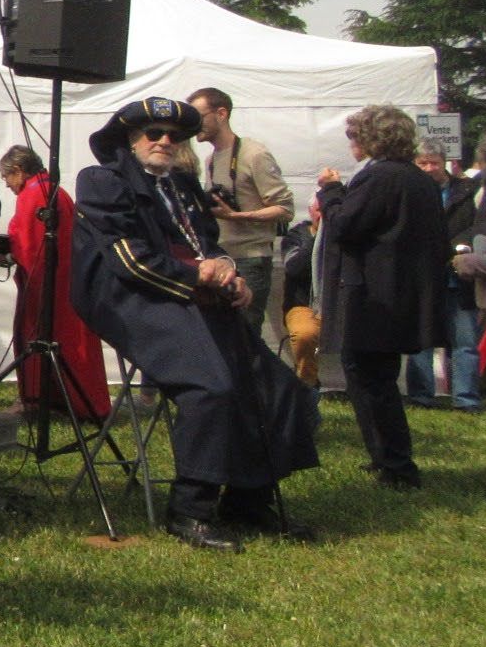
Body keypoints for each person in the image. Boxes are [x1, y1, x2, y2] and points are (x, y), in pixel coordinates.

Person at [69, 98, 319, 549]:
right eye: (154, 134)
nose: (166, 142)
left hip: (195, 297)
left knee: (279, 386)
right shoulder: (101, 180)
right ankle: (190, 510)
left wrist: (229, 274)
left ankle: (247, 500)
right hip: (135, 299)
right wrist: (196, 276)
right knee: (212, 387)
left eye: (175, 136)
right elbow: (126, 258)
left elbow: (207, 242)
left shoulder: (182, 185)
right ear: (130, 139)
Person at [316, 105, 447, 490]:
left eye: (355, 136)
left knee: (371, 379)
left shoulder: (380, 177)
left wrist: (331, 192)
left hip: (376, 294)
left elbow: (345, 225)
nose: (352, 143)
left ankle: (396, 465)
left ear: (374, 138)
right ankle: (387, 459)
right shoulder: (417, 178)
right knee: (377, 378)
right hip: (400, 291)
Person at [0, 144, 111, 420]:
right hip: (66, 282)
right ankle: (70, 400)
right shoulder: (55, 191)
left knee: (42, 337)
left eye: (7, 178)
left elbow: (30, 247)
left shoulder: (34, 194)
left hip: (47, 287)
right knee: (71, 343)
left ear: (18, 171)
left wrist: (7, 253)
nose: (8, 185)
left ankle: (39, 398)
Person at [187, 87, 294, 338]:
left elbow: (285, 209)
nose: (193, 126)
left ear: (221, 114)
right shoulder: (211, 159)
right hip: (223, 258)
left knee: (245, 335)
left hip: (251, 258)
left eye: (198, 117)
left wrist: (236, 216)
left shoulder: (253, 154)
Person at [407, 142, 481, 410]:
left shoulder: (465, 190)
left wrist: (458, 246)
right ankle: (420, 396)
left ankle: (466, 399)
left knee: (465, 341)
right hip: (422, 277)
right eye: (422, 163)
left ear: (444, 162)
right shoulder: (408, 192)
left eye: (434, 163)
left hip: (456, 276)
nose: (428, 169)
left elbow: (480, 224)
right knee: (420, 341)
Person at [278, 196, 324, 386]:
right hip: (304, 305)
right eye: (320, 210)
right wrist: (319, 239)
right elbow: (294, 268)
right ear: (311, 210)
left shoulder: (350, 234)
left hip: (341, 307)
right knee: (304, 334)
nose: (324, 216)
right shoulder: (296, 236)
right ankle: (307, 385)